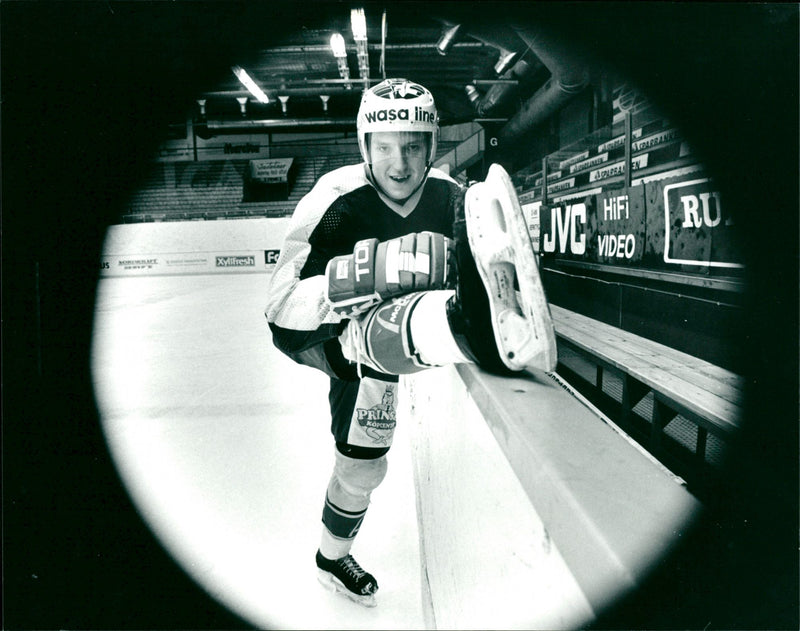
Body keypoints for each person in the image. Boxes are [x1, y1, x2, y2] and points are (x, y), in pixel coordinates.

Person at [265, 78, 556, 607]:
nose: (399, 164)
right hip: (338, 336)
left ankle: (464, 330)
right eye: (385, 147)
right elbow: (281, 313)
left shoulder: (455, 198)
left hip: (409, 329)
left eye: (413, 146)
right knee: (364, 449)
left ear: (432, 144)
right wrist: (375, 270)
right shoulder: (334, 199)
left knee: (366, 461)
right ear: (364, 147)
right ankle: (331, 559)